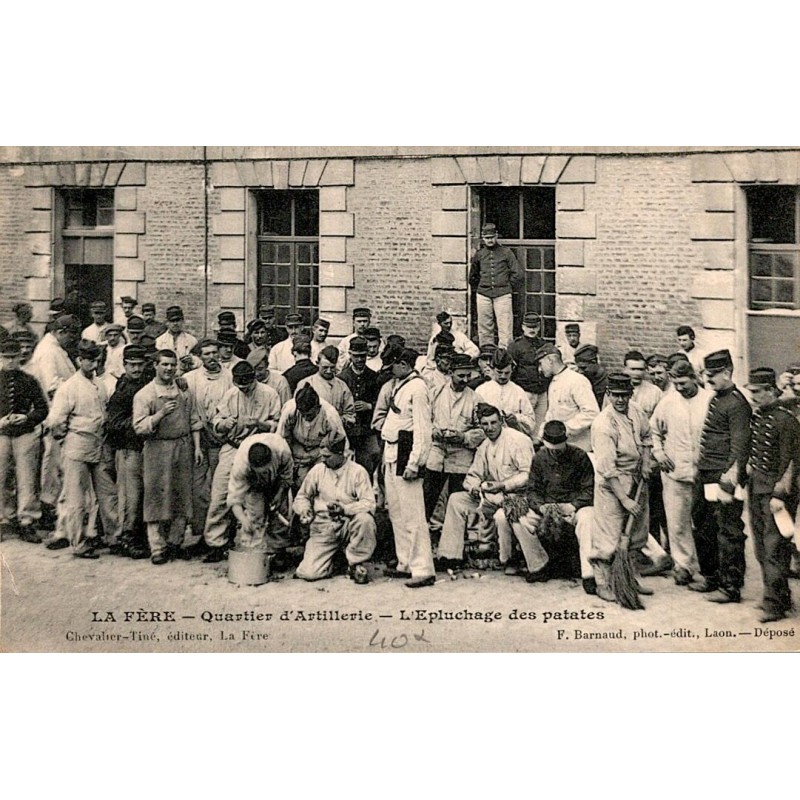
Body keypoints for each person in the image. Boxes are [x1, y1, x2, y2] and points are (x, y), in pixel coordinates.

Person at [437, 403, 541, 576]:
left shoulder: (518, 440)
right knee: (457, 499)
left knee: (504, 514)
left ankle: (511, 558)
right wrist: (474, 488)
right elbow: (473, 474)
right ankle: (450, 556)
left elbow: (528, 475)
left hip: (518, 496)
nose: (490, 428)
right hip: (492, 496)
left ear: (501, 421)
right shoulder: (485, 445)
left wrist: (503, 485)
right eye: (485, 424)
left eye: (493, 423)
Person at [202, 361, 282, 562]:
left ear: (254, 378)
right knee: (220, 495)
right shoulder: (230, 395)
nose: (243, 389)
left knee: (261, 500)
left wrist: (259, 423)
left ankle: (270, 547)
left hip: (259, 451)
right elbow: (216, 423)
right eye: (240, 386)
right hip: (233, 447)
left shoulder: (269, 394)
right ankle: (216, 542)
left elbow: (277, 425)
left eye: (247, 385)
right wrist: (223, 424)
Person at [45, 340, 118, 558]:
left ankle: (114, 537)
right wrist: (66, 438)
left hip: (98, 444)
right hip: (77, 445)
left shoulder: (100, 384)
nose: (93, 364)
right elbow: (56, 421)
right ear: (79, 360)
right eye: (89, 360)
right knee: (75, 498)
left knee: (107, 494)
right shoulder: (68, 387)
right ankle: (77, 542)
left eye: (96, 360)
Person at [693, 349, 752, 604]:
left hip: (723, 476)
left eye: (713, 375)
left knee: (728, 531)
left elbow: (740, 446)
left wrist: (730, 478)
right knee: (704, 524)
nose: (708, 380)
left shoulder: (737, 403)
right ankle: (711, 576)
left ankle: (731, 586)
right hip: (708, 473)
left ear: (727, 373)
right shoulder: (718, 398)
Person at [589, 373, 654, 603]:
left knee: (635, 534)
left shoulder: (636, 411)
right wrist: (624, 499)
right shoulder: (603, 424)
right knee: (609, 536)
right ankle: (603, 583)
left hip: (637, 479)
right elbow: (607, 469)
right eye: (615, 395)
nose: (620, 400)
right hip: (612, 485)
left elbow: (647, 436)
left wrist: (646, 463)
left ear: (630, 394)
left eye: (624, 395)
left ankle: (629, 578)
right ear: (608, 395)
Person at [133, 349, 200, 565]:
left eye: (172, 365)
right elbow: (139, 427)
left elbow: (192, 418)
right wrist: (160, 414)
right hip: (157, 448)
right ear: (155, 366)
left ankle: (175, 543)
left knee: (181, 495)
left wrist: (196, 447)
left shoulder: (183, 390)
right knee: (156, 497)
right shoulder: (144, 394)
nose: (169, 369)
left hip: (182, 445)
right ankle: (157, 547)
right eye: (164, 365)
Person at [650, 359, 712, 588]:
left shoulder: (709, 400)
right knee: (677, 522)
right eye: (675, 383)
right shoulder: (667, 402)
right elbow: (653, 431)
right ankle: (683, 565)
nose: (679, 388)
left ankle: (710, 568)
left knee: (706, 523)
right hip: (674, 471)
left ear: (695, 378)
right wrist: (659, 453)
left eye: (684, 383)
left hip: (703, 473)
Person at [745, 368, 800, 623]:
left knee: (774, 547)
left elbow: (791, 462)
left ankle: (775, 604)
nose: (753, 397)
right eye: (751, 392)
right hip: (757, 488)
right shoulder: (759, 416)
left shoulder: (786, 420)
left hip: (776, 494)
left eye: (757, 392)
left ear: (770, 390)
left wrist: (779, 494)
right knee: (760, 546)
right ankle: (777, 595)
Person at [377, 347, 435, 587]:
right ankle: (406, 562)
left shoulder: (418, 389)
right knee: (397, 512)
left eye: (392, 366)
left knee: (413, 513)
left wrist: (415, 462)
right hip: (392, 451)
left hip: (406, 450)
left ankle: (423, 568)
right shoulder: (400, 384)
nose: (390, 371)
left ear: (403, 364)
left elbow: (423, 430)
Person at [518, 420, 596, 592]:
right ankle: (539, 566)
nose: (555, 453)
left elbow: (589, 489)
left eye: (558, 448)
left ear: (566, 439)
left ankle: (588, 574)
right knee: (520, 518)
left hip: (573, 507)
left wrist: (573, 505)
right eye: (551, 449)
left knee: (588, 519)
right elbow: (532, 491)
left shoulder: (580, 456)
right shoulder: (539, 458)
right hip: (548, 507)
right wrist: (541, 507)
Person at [294, 436, 377, 583]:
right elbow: (302, 497)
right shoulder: (318, 470)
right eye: (322, 456)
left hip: (348, 524)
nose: (323, 460)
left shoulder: (357, 471)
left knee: (365, 520)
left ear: (341, 454)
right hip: (324, 526)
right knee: (309, 573)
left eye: (327, 456)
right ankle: (337, 559)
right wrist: (304, 510)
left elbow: (369, 503)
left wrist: (345, 509)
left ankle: (355, 562)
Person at [423, 353, 485, 527]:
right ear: (451, 373)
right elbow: (424, 420)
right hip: (437, 451)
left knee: (456, 498)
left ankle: (456, 536)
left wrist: (464, 437)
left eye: (468, 375)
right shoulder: (435, 393)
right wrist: (434, 431)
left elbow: (483, 430)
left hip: (461, 455)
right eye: (461, 376)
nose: (465, 379)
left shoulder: (475, 399)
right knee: (429, 495)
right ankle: (428, 531)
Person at [30, 314, 79, 527]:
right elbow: (52, 385)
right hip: (55, 414)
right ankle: (47, 507)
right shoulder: (48, 351)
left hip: (61, 412)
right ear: (60, 332)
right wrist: (76, 390)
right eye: (70, 335)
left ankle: (51, 505)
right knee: (52, 463)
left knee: (56, 463)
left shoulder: (56, 348)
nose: (72, 340)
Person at [184, 339, 233, 549]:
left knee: (219, 487)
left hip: (221, 439)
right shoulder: (191, 378)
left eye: (214, 353)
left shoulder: (229, 378)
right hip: (198, 437)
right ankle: (200, 533)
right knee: (198, 487)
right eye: (206, 354)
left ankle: (221, 535)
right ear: (200, 357)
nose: (211, 358)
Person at [0, 338, 48, 543]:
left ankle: (27, 520)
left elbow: (42, 409)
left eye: (14, 357)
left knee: (27, 479)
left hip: (25, 435)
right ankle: (5, 519)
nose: (10, 361)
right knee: (1, 477)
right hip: (1, 434)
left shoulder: (29, 380)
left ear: (20, 357)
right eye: (6, 357)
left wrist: (27, 418)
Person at [106, 344, 151, 559]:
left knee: (143, 494)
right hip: (128, 448)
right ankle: (127, 537)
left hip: (145, 447)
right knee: (129, 496)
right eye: (132, 365)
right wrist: (139, 424)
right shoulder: (122, 390)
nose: (136, 369)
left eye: (140, 365)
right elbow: (113, 423)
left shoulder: (146, 383)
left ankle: (140, 536)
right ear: (124, 365)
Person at [225, 433, 293, 563]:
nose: (262, 474)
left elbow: (287, 476)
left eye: (264, 471)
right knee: (255, 515)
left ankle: (278, 552)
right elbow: (235, 499)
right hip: (253, 485)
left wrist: (279, 494)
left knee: (280, 510)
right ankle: (253, 555)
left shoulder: (282, 450)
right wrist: (243, 520)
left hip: (277, 479)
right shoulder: (241, 466)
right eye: (259, 471)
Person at [277, 383, 347, 490]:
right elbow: (281, 440)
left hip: (320, 450)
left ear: (318, 407)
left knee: (322, 485)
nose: (305, 418)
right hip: (297, 449)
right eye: (302, 414)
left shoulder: (330, 414)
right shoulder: (290, 410)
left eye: (309, 415)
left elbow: (341, 443)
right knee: (299, 486)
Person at [536, 343, 599, 451]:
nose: (540, 369)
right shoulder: (554, 383)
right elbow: (551, 414)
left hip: (579, 448)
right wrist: (540, 436)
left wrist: (564, 429)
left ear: (550, 360)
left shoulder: (577, 381)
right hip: (559, 447)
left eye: (541, 364)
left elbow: (592, 413)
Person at [469, 222, 523, 348]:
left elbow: (518, 273)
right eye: (487, 238)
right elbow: (473, 276)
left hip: (503, 295)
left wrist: (506, 286)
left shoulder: (506, 252)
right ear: (483, 238)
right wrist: (481, 288)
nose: (490, 240)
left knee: (505, 328)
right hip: (483, 295)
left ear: (496, 236)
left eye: (492, 237)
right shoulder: (480, 254)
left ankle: (504, 358)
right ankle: (487, 356)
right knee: (484, 328)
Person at [338, 336, 381, 477]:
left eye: (363, 356)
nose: (360, 360)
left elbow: (382, 403)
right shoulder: (342, 378)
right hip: (346, 430)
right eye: (356, 356)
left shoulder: (374, 377)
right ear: (350, 354)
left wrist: (369, 406)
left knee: (371, 457)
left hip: (366, 429)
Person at [475, 348, 536, 438]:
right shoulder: (481, 390)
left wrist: (516, 419)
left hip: (513, 439)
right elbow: (474, 420)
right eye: (499, 372)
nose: (503, 376)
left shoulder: (518, 391)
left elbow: (531, 422)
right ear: (492, 369)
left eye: (507, 373)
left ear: (512, 370)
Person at [507, 313, 551, 432]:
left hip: (542, 391)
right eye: (529, 327)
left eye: (535, 327)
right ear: (523, 327)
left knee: (540, 425)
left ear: (539, 327)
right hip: (525, 391)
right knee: (524, 424)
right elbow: (510, 370)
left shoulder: (544, 345)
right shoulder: (515, 346)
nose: (532, 330)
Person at [297, 345, 356, 427]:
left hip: (335, 433)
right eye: (325, 367)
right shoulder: (306, 384)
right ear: (317, 364)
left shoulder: (342, 386)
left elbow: (350, 414)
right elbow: (297, 413)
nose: (329, 371)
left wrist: (336, 420)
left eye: (332, 368)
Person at [155, 306, 199, 376]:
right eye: (172, 321)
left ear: (183, 321)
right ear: (167, 322)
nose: (175, 324)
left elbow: (200, 360)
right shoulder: (159, 341)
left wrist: (192, 360)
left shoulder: (192, 340)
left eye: (178, 320)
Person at [624, 350, 663, 418]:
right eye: (633, 369)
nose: (638, 373)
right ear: (625, 370)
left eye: (640, 369)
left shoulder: (655, 392)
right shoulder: (614, 390)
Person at [574, 344, 608, 409]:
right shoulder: (584, 378)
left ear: (594, 362)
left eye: (583, 368)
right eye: (579, 368)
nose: (580, 372)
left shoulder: (607, 382)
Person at [101, 324, 126, 394]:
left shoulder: (123, 349)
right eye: (110, 335)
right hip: (104, 380)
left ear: (120, 335)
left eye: (115, 335)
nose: (112, 338)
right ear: (106, 336)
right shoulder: (104, 348)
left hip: (119, 381)